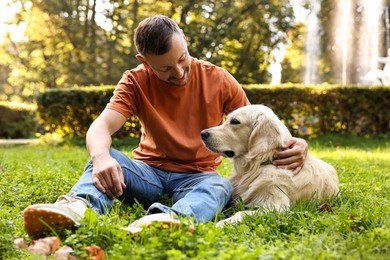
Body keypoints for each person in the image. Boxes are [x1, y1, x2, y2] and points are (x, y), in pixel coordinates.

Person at [23, 15, 308, 238]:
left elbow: (253, 123)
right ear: (144, 62)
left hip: (198, 177)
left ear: (184, 40)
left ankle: (165, 220)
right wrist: (100, 158)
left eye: (182, 58)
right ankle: (75, 207)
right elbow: (100, 127)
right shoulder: (134, 81)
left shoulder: (219, 79)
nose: (180, 72)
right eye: (165, 69)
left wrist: (299, 145)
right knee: (109, 161)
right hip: (147, 173)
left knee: (219, 186)